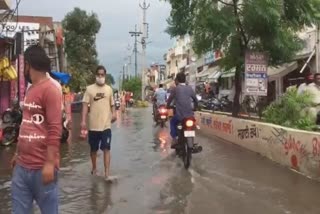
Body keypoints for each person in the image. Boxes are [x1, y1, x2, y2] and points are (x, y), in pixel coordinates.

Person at [11, 45, 62, 214]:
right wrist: (17, 153)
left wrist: (49, 163)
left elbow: (55, 128)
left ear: (29, 64)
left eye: (24, 64)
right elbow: (26, 123)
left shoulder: (51, 90)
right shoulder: (30, 89)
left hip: (42, 167)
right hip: (21, 168)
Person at [81, 65, 117, 178]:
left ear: (105, 76)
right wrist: (83, 120)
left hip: (106, 125)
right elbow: (85, 105)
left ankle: (107, 173)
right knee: (93, 150)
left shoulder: (109, 89)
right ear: (95, 76)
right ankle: (94, 168)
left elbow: (112, 104)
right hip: (93, 126)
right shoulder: (89, 89)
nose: (100, 76)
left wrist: (114, 113)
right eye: (98, 74)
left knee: (106, 148)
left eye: (102, 75)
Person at [167, 72, 198, 148]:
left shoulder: (175, 89)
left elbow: (169, 100)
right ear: (185, 80)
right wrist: (195, 108)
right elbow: (196, 100)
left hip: (179, 115)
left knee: (172, 122)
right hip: (190, 115)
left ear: (177, 80)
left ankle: (175, 138)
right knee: (193, 126)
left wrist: (168, 106)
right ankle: (192, 142)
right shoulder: (189, 88)